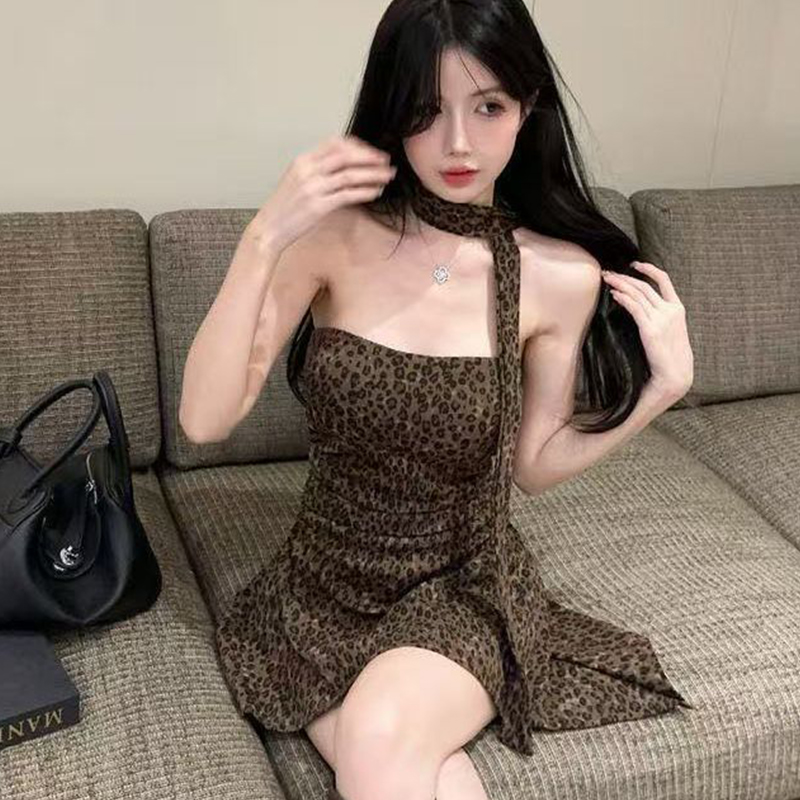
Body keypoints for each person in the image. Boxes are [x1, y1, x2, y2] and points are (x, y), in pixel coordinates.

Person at [179, 2, 696, 799]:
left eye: (487, 107)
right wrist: (263, 239)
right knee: (400, 761)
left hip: (462, 585)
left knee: (377, 735)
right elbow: (202, 420)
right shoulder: (334, 238)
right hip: (322, 584)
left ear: (527, 106)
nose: (457, 143)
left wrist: (661, 391)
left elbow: (532, 466)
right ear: (393, 112)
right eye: (426, 110)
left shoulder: (559, 275)